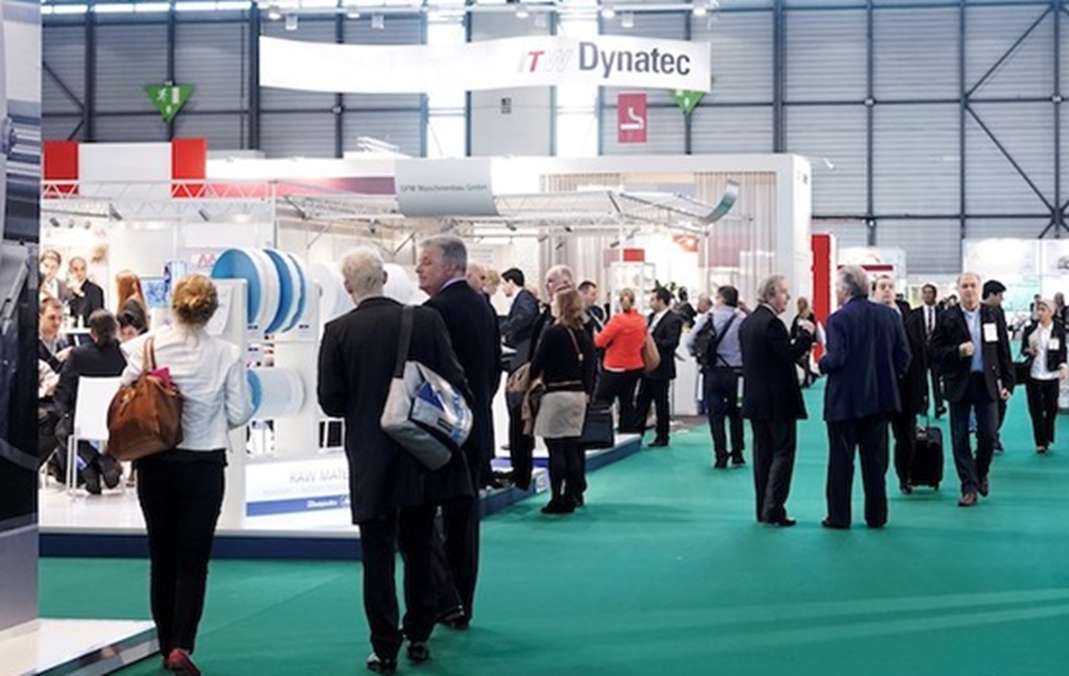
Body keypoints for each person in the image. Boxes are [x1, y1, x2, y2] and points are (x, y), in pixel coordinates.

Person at [318, 248, 471, 673]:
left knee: (377, 555)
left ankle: (384, 647)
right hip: (418, 452)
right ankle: (419, 633)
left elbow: (331, 401)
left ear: (347, 286)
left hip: (370, 458)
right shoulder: (424, 320)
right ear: (384, 278)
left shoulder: (337, 331)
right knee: (420, 546)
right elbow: (453, 380)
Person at [122, 274, 253, 675]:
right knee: (193, 560)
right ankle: (182, 644)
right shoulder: (227, 353)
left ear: (174, 304)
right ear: (212, 311)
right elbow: (240, 411)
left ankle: (165, 642)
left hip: (155, 460)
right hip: (204, 464)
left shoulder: (144, 346)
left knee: (161, 555)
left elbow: (125, 395)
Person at [416, 235, 501, 631]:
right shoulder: (483, 306)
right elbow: (494, 369)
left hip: (442, 433)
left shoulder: (434, 312)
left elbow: (426, 377)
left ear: (450, 266)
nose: (419, 268)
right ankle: (461, 604)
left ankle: (442, 598)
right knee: (464, 524)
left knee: (420, 519)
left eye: (426, 261)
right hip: (476, 427)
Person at [818, 266, 910, 530]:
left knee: (841, 463)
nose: (836, 292)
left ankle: (839, 516)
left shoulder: (838, 319)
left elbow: (836, 358)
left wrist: (820, 364)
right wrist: (887, 376)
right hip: (879, 401)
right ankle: (876, 516)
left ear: (845, 290)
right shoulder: (889, 316)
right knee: (875, 463)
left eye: (837, 287)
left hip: (844, 402)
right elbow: (904, 357)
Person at [928, 272, 1014, 507]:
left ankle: (979, 472)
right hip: (959, 382)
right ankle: (968, 487)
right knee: (960, 438)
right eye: (964, 286)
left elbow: (1003, 349)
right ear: (958, 290)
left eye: (972, 285)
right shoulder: (947, 317)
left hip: (986, 382)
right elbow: (934, 351)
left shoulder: (993, 314)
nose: (969, 290)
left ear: (979, 288)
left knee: (988, 435)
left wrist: (1008, 381)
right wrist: (957, 351)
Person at [739, 274, 814, 527]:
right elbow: (788, 355)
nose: (788, 297)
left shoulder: (749, 322)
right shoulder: (773, 324)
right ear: (770, 295)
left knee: (763, 455)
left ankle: (763, 508)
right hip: (777, 401)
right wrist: (806, 336)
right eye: (783, 292)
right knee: (783, 453)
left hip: (756, 400)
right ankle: (774, 509)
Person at [530, 288, 596, 514]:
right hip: (577, 396)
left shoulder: (553, 332)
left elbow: (537, 364)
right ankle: (573, 495)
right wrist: (587, 393)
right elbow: (591, 368)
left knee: (555, 449)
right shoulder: (583, 334)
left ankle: (556, 498)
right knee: (571, 448)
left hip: (555, 395)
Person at [52, 309, 126, 493]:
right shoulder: (124, 354)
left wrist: (63, 411)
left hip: (83, 420)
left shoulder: (78, 355)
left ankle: (91, 464)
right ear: (115, 329)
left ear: (92, 332)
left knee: (62, 431)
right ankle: (104, 462)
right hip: (117, 419)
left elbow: (63, 388)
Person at [873, 275, 929, 495]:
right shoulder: (870, 317)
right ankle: (877, 481)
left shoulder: (910, 316)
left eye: (890, 286)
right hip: (878, 389)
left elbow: (920, 354)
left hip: (907, 388)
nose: (887, 290)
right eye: (882, 287)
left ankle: (904, 476)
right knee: (878, 439)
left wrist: (923, 391)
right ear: (875, 292)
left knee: (906, 437)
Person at [686, 285, 745, 468]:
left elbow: (690, 341)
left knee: (715, 415)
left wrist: (698, 355)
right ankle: (737, 453)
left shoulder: (708, 317)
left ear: (721, 299)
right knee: (736, 413)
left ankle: (720, 455)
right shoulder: (741, 319)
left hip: (712, 372)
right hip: (736, 373)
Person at [500, 267, 540, 489]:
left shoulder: (524, 298)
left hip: (520, 362)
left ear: (510, 281)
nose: (502, 288)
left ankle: (521, 470)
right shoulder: (522, 299)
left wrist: (505, 329)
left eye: (503, 283)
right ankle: (520, 468)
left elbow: (526, 316)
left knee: (519, 414)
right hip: (518, 360)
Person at [635, 287, 684, 447]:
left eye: (653, 299)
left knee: (661, 403)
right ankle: (636, 434)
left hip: (662, 367)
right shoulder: (650, 318)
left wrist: (650, 342)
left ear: (661, 301)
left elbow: (671, 343)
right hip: (647, 367)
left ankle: (662, 436)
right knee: (642, 401)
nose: (650, 302)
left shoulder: (674, 320)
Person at [594, 288, 647, 434]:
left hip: (614, 367)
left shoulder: (617, 321)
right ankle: (628, 433)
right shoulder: (641, 320)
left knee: (602, 401)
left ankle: (601, 433)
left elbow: (599, 342)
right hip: (635, 366)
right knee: (627, 402)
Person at [1020, 298, 1067, 454]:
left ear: (1051, 312)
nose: (1039, 313)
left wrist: (1063, 366)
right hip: (1033, 374)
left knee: (1051, 409)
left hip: (1051, 374)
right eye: (1038, 309)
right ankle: (1040, 442)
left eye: (1043, 309)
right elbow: (1023, 349)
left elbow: (1062, 351)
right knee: (1036, 410)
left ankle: (1048, 434)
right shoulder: (1030, 329)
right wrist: (1028, 351)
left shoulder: (1059, 329)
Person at [983, 280, 1010, 451]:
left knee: (1001, 404)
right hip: (982, 369)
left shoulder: (999, 312)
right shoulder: (978, 312)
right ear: (992, 294)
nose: (1001, 299)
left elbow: (1003, 342)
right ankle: (987, 437)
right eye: (1000, 296)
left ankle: (993, 433)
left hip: (997, 368)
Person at [915, 283, 946, 418]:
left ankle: (939, 406)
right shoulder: (915, 314)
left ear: (935, 295)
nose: (927, 295)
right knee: (922, 380)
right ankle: (923, 406)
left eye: (930, 292)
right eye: (925, 292)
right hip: (921, 352)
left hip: (937, 352)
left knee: (937, 380)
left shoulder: (942, 313)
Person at [67, 256, 105, 327]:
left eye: (82, 269)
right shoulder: (65, 289)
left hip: (88, 331)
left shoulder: (95, 290)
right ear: (70, 271)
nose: (79, 273)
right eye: (75, 269)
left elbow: (97, 316)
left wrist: (80, 295)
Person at [790, 297, 819, 388]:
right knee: (799, 360)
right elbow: (793, 330)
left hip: (808, 342)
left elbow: (815, 329)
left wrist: (814, 341)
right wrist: (792, 339)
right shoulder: (797, 318)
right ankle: (812, 374)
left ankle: (807, 380)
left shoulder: (811, 316)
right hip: (798, 341)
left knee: (806, 359)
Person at [38, 296, 71, 373]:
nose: (57, 322)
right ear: (40, 316)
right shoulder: (31, 345)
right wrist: (56, 359)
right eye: (51, 318)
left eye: (60, 318)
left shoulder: (63, 343)